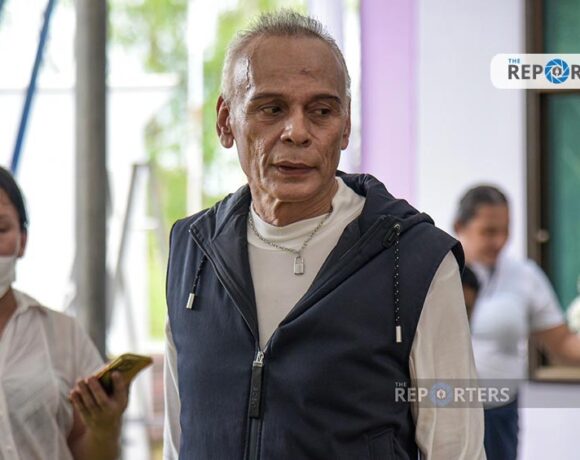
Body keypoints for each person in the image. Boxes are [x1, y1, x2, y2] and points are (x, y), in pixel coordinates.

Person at [164, 11, 485, 459]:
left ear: (346, 125)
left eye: (321, 111)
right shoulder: (191, 251)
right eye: (271, 108)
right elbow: (180, 437)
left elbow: (456, 448)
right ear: (225, 120)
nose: (297, 132)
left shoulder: (417, 261)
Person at [0, 166, 129, 460]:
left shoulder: (62, 334)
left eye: (1, 229)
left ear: (23, 241)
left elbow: (91, 449)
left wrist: (104, 428)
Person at [454, 184, 580, 460]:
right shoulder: (436, 273)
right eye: (489, 232)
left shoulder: (524, 276)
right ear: (459, 226)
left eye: (506, 230)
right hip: (445, 413)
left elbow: (562, 343)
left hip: (500, 415)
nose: (500, 241)